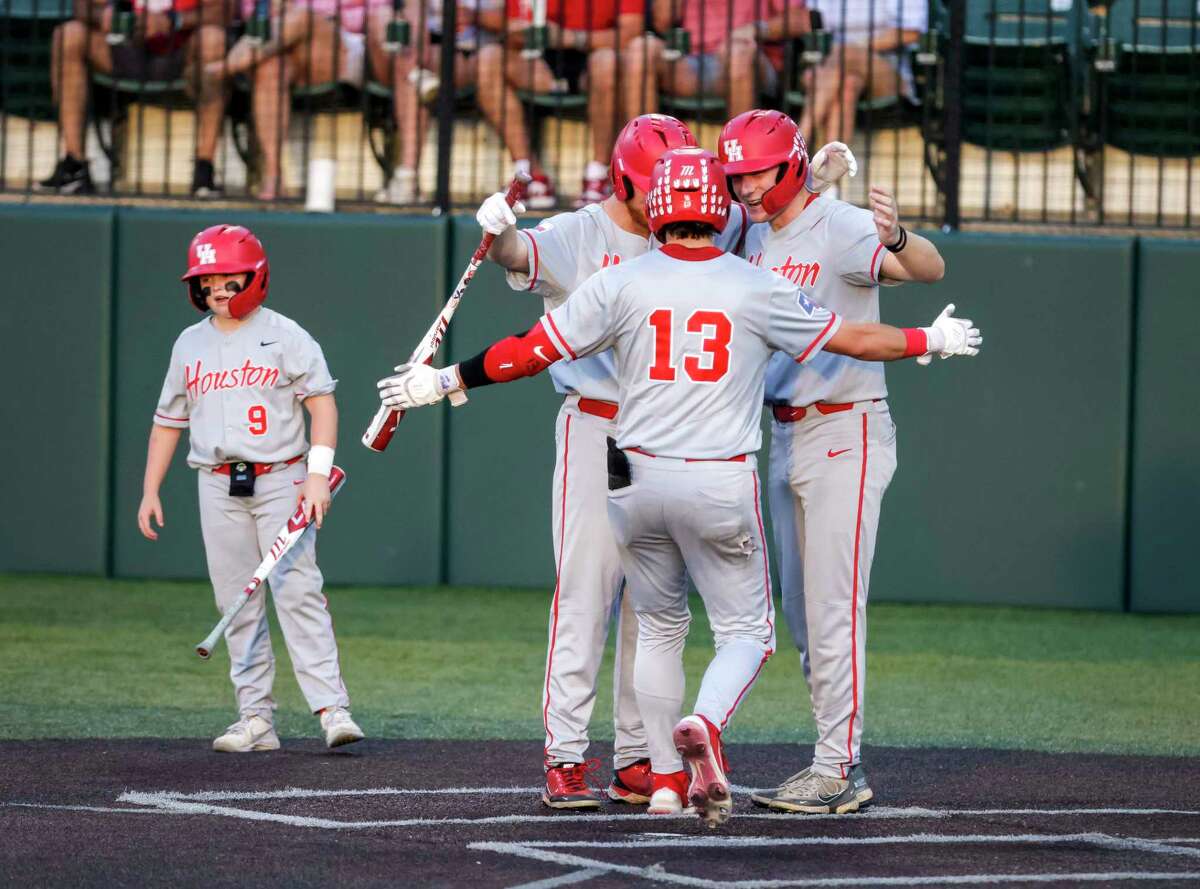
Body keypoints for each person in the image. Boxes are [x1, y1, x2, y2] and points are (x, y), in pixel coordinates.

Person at [375, 147, 980, 825]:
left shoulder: (622, 280)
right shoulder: (752, 284)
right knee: (748, 631)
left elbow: (529, 350)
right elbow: (854, 340)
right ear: (718, 210)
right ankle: (706, 722)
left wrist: (443, 380)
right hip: (719, 478)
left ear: (656, 206)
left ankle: (663, 783)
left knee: (657, 626)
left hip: (632, 479)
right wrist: (932, 336)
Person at [717, 108, 946, 814]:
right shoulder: (753, 231)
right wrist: (803, 180)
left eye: (755, 172)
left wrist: (897, 234)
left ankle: (835, 768)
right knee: (803, 616)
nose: (745, 187)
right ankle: (834, 758)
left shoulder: (840, 224)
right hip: (785, 432)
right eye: (736, 175)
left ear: (786, 165)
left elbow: (929, 268)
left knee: (833, 607)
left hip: (847, 424)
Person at [138, 224, 364, 753]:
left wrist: (316, 473)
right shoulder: (189, 343)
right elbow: (167, 421)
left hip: (282, 477)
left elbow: (322, 404)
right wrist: (151, 490)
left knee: (296, 589)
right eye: (207, 279)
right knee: (234, 600)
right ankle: (255, 718)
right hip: (216, 483)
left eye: (228, 277)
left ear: (254, 276)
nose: (217, 288)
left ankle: (332, 708)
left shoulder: (285, 334)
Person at [39, 0, 227, 197]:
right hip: (120, 49)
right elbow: (82, 7)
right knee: (69, 34)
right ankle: (74, 165)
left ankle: (205, 169)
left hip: (181, 51)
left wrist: (175, 20)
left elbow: (224, 12)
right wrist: (103, 16)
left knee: (214, 38)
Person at [211, 0, 390, 200]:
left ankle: (228, 66)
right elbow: (250, 13)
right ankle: (274, 176)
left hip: (350, 48)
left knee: (304, 17)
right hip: (286, 46)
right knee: (270, 68)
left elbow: (380, 11)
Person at [477, 0, 644, 209]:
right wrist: (519, 31)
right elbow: (511, 28)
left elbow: (631, 33)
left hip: (594, 54)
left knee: (607, 62)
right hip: (539, 59)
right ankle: (530, 176)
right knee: (489, 58)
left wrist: (572, 38)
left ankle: (598, 176)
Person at [375, 0, 502, 204]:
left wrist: (474, 16)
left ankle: (407, 177)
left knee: (409, 71)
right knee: (407, 36)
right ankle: (416, 74)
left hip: (469, 54)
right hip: (426, 52)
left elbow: (506, 20)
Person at [623, 0, 808, 121]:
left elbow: (802, 19)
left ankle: (737, 169)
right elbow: (662, 21)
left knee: (737, 53)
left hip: (752, 57)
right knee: (641, 49)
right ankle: (646, 167)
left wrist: (755, 29)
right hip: (691, 61)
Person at [798, 0, 928, 147]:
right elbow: (813, 23)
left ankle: (800, 140)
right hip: (834, 70)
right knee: (848, 85)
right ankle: (834, 167)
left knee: (844, 54)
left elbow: (910, 33)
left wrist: (857, 48)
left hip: (888, 72)